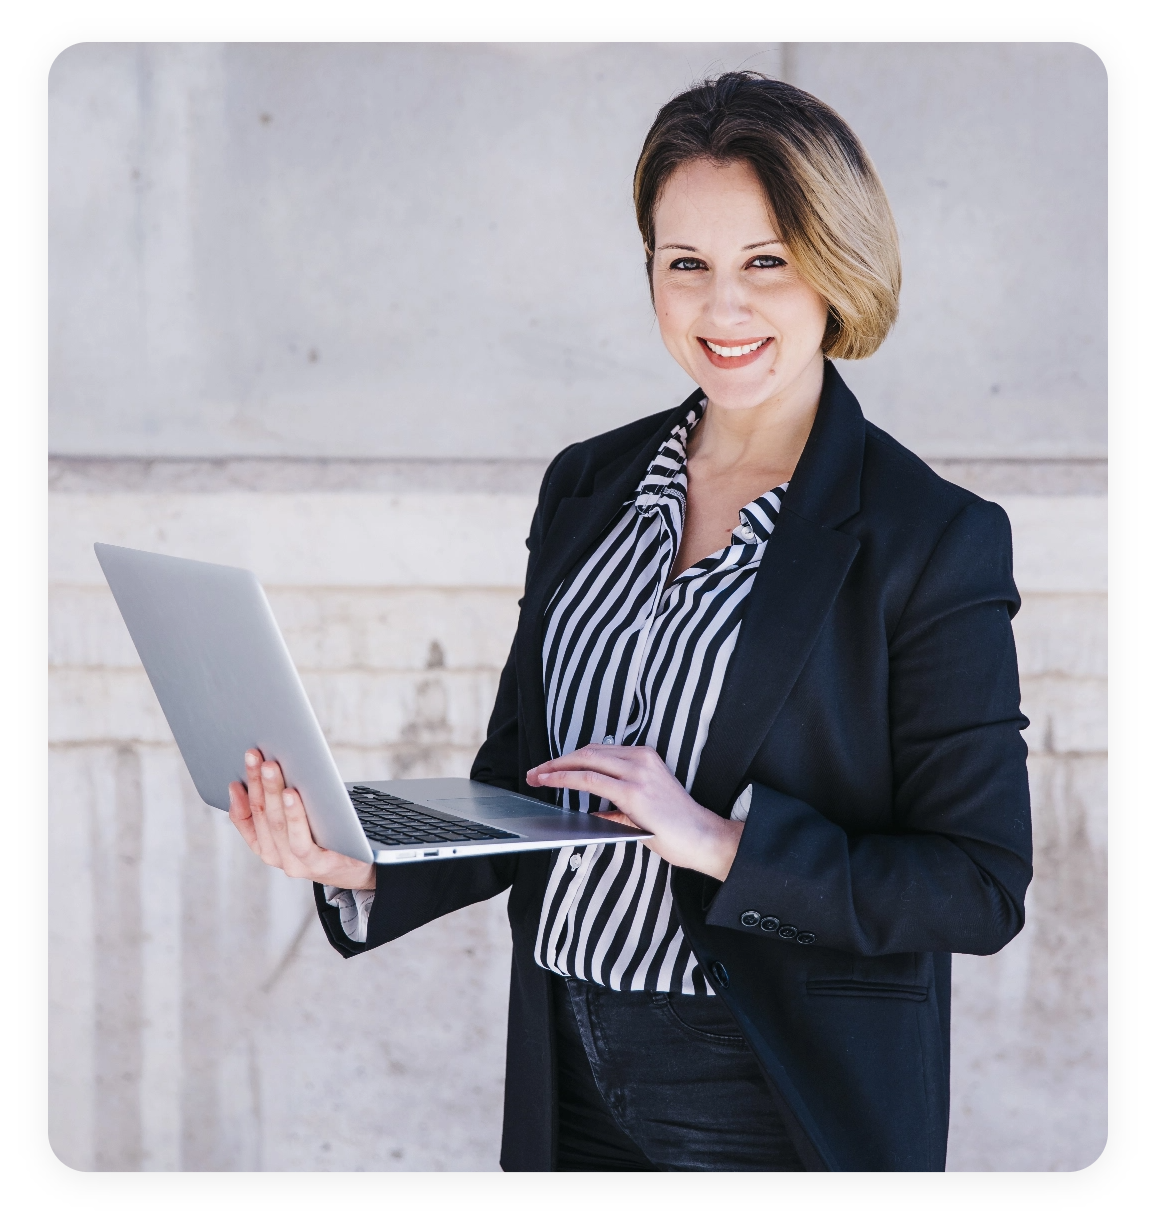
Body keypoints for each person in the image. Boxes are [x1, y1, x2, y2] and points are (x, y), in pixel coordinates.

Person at [228, 72, 1031, 1173]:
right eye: (684, 264)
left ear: (836, 267)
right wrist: (357, 862)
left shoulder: (929, 536)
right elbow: (525, 781)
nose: (722, 308)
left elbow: (977, 884)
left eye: (766, 261)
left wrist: (717, 842)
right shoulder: (587, 485)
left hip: (771, 1090)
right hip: (565, 1063)